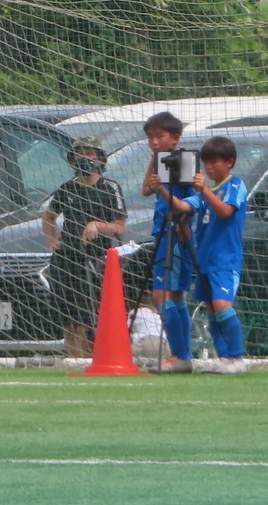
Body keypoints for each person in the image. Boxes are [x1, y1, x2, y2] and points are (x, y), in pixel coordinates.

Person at [154, 134, 250, 374]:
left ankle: (237, 358)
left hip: (225, 260)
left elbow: (226, 211)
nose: (209, 167)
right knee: (210, 307)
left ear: (229, 162)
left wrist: (206, 190)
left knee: (221, 304)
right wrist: (162, 190)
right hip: (205, 260)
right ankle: (224, 357)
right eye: (206, 162)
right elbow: (182, 206)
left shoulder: (235, 185)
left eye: (214, 162)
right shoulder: (203, 193)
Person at [42, 137, 127, 356]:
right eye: (81, 153)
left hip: (95, 257)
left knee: (92, 316)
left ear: (99, 158)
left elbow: (119, 227)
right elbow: (48, 217)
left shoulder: (110, 188)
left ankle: (93, 357)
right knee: (70, 318)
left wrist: (97, 226)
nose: (85, 158)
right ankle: (73, 357)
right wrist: (52, 240)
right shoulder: (67, 188)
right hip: (67, 257)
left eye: (90, 154)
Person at [138, 110, 186, 339]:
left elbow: (186, 203)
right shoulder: (160, 161)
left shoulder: (182, 162)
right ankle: (180, 351)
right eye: (150, 137)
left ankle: (179, 348)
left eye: (159, 136)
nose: (154, 141)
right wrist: (152, 159)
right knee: (167, 295)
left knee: (166, 295)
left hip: (177, 234)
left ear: (175, 137)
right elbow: (146, 190)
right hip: (161, 232)